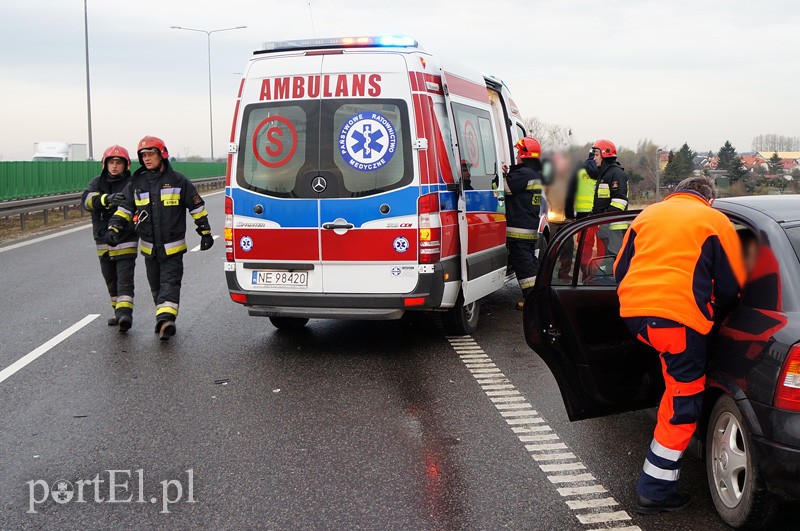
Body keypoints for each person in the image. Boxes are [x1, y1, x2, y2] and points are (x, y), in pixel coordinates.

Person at [613, 176, 746, 514]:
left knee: (673, 385)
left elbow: (620, 269)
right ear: (709, 198)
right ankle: (654, 491)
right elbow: (732, 284)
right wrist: (715, 313)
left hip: (636, 317)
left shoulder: (647, 216)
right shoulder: (715, 221)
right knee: (684, 406)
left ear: (676, 194)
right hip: (678, 323)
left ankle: (657, 480)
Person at [106, 136, 214, 341]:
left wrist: (205, 232)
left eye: (151, 154)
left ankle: (166, 321)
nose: (147, 159)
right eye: (143, 155)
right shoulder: (136, 182)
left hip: (173, 249)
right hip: (149, 250)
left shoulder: (178, 181)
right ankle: (163, 317)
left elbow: (196, 207)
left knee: (170, 284)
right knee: (156, 287)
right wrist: (114, 228)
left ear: (162, 154)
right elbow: (125, 209)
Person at [81, 145, 138, 332]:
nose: (114, 166)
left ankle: (125, 315)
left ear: (126, 165)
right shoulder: (96, 183)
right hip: (102, 239)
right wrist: (107, 199)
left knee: (125, 279)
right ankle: (117, 312)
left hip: (126, 238)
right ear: (105, 164)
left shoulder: (132, 183)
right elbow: (87, 202)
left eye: (118, 163)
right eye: (111, 162)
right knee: (110, 280)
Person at [502, 137, 543, 310]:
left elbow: (505, 188)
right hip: (528, 226)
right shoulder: (532, 174)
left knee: (524, 264)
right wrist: (510, 171)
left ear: (525, 154)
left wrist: (502, 174)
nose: (517, 155)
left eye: (519, 152)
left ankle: (532, 300)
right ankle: (539, 295)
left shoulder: (524, 174)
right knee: (530, 262)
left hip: (519, 228)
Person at [591, 139, 629, 257]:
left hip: (615, 228)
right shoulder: (605, 174)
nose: (594, 158)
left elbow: (620, 201)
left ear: (605, 155)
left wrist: (604, 218)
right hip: (606, 227)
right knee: (605, 259)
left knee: (614, 259)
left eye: (597, 155)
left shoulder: (616, 174)